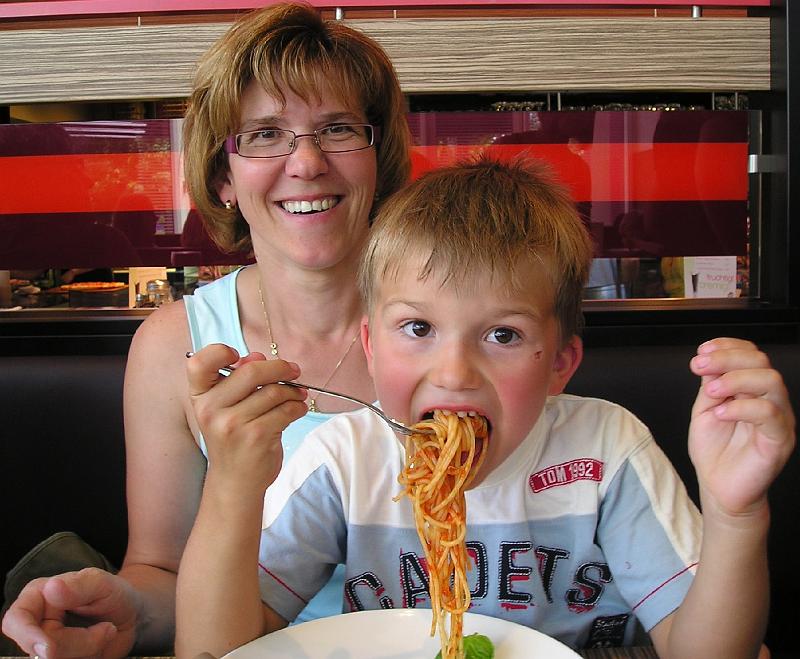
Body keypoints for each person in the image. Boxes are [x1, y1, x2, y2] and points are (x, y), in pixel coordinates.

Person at [178, 156, 794, 658]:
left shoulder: (605, 450)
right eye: (417, 328)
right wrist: (232, 485)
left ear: (559, 364)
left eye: (502, 335)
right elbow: (219, 650)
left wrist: (736, 515)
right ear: (370, 344)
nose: (453, 373)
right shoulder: (346, 458)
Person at [1, 3, 410, 657]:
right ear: (224, 176)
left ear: (377, 158)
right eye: (266, 134)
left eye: (336, 129)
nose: (305, 162)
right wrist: (123, 608)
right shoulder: (175, 345)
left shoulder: (452, 323)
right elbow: (162, 570)